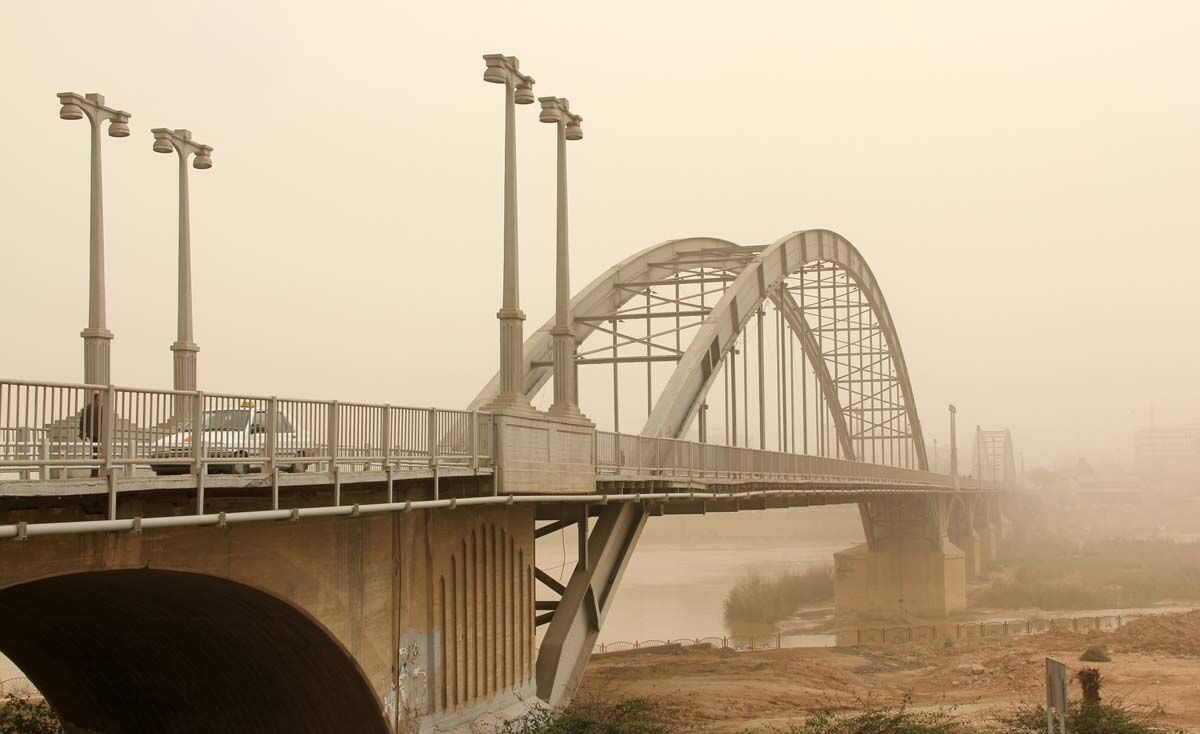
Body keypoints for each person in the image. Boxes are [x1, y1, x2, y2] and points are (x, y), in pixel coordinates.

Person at [79, 390, 103, 478]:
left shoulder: (87, 407)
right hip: (100, 433)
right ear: (98, 397)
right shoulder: (101, 407)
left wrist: (82, 433)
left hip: (91, 433)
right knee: (100, 453)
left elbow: (82, 421)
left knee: (95, 452)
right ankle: (99, 472)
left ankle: (94, 472)